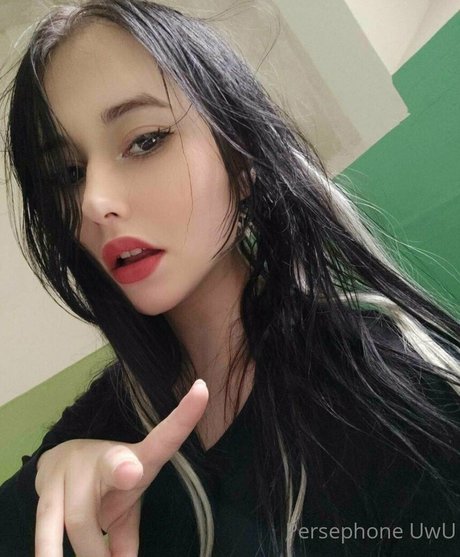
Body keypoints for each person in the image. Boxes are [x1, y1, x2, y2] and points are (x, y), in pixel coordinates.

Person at [0, 1, 459, 556]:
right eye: (68, 173)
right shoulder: (104, 424)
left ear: (240, 163)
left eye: (145, 140)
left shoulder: (393, 381)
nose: (93, 202)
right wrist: (38, 485)